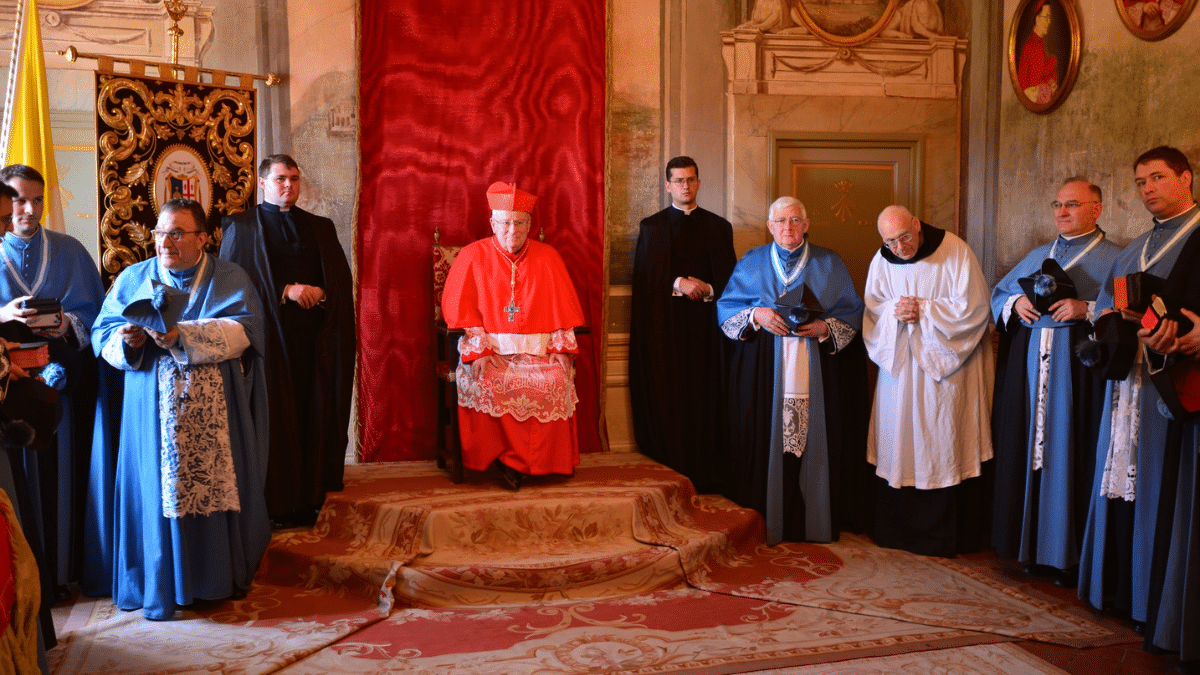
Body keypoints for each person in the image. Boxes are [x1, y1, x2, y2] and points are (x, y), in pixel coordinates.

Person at [92, 198, 269, 620]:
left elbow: (246, 331)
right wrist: (127, 342)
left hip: (213, 416)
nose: (165, 242)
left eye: (177, 233)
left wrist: (181, 337)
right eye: (159, 233)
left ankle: (213, 579)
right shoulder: (134, 277)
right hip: (149, 411)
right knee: (153, 490)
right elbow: (103, 334)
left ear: (203, 238)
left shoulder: (229, 276)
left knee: (209, 486)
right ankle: (158, 581)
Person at [1077, 147, 1200, 658]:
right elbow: (1103, 307)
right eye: (1140, 181)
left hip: (1179, 388)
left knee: (1162, 492)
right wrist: (1114, 323)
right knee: (1126, 489)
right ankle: (1125, 592)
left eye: (1158, 177)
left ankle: (1164, 603)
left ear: (1186, 179)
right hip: (1129, 385)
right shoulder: (1135, 250)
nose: (1148, 188)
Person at [990, 178, 1122, 587]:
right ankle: (1029, 546)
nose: (1062, 212)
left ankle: (1067, 554)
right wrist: (1017, 302)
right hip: (1032, 368)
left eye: (1073, 204)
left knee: (1070, 449)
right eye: (1057, 204)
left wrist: (1087, 307)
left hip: (1079, 373)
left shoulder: (1116, 257)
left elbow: (1127, 307)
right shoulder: (1038, 254)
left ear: (1097, 208)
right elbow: (999, 295)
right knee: (1032, 449)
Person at [716, 196, 870, 545]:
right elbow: (726, 309)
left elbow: (852, 312)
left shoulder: (830, 262)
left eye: (795, 220)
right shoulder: (752, 261)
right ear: (769, 226)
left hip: (817, 369)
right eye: (781, 221)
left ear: (806, 224)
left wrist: (826, 328)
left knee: (814, 441)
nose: (788, 227)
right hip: (765, 372)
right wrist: (758, 315)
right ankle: (766, 520)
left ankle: (814, 520)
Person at [220, 154, 355, 528]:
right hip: (268, 344)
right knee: (274, 418)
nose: (288, 186)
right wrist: (285, 291)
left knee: (313, 414)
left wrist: (320, 292)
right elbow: (233, 289)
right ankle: (276, 504)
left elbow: (340, 282)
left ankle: (311, 498)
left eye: (293, 179)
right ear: (262, 183)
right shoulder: (241, 227)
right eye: (280, 179)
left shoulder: (320, 227)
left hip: (314, 342)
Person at [862, 205, 993, 558]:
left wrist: (924, 310)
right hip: (901, 369)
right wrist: (895, 312)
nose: (900, 248)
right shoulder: (882, 259)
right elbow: (874, 308)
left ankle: (944, 536)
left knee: (942, 439)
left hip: (946, 370)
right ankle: (897, 531)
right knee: (899, 440)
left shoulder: (955, 251)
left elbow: (975, 308)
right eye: (890, 241)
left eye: (904, 237)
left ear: (917, 225)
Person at [0, 164, 103, 607]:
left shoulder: (70, 250)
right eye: (20, 200)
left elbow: (97, 316)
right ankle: (20, 583)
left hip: (58, 384)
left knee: (60, 475)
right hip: (5, 391)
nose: (29, 209)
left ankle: (61, 572)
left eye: (38, 200)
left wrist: (66, 323)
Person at [441, 182, 585, 490]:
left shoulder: (549, 257)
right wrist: (478, 350)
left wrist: (561, 349)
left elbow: (564, 308)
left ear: (530, 224)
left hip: (539, 354)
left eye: (520, 222)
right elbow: (458, 310)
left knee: (557, 380)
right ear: (492, 222)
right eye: (505, 222)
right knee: (486, 380)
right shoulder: (471, 256)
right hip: (491, 352)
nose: (512, 229)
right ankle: (503, 459)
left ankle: (539, 463)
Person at [630, 156, 736, 494]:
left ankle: (709, 473)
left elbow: (734, 283)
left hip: (709, 333)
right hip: (667, 332)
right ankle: (671, 472)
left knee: (707, 398)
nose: (685, 186)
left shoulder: (720, 228)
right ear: (667, 185)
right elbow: (646, 281)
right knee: (672, 396)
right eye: (678, 181)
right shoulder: (653, 227)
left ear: (699, 183)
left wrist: (709, 289)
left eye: (690, 180)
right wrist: (679, 283)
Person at [1017, 0, 1058, 104]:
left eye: (1050, 17)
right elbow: (1032, 89)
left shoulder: (1038, 43)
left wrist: (1050, 82)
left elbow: (1041, 76)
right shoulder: (1033, 46)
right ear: (1038, 19)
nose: (1049, 21)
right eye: (1046, 17)